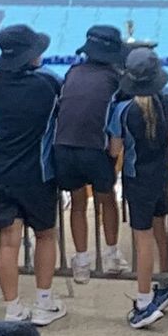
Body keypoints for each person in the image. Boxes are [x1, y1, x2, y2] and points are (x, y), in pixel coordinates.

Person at [0, 20, 64, 324]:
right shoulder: (48, 84)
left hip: (1, 171)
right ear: (30, 56)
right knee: (45, 235)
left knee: (8, 241)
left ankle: (13, 307)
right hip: (37, 173)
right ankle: (44, 302)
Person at [108, 42, 168, 330]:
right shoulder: (166, 100)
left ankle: (143, 302)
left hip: (137, 180)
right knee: (161, 230)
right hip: (161, 177)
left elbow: (115, 150)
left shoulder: (123, 110)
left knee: (143, 239)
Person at [51, 24, 132, 280]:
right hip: (94, 148)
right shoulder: (116, 79)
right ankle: (111, 255)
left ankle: (82, 261)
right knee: (107, 199)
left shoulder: (72, 72)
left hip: (63, 146)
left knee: (78, 201)